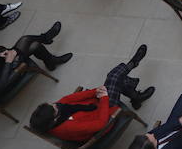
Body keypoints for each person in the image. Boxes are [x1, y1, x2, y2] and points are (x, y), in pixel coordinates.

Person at [28, 44, 156, 142]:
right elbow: (101, 124)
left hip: (95, 106)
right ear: (55, 118)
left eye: (52, 104)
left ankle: (136, 96)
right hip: (104, 117)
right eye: (54, 108)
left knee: (116, 81)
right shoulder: (68, 127)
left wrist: (95, 91)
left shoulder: (55, 111)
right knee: (114, 77)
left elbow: (69, 98)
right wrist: (105, 98)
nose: (55, 104)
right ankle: (133, 66)